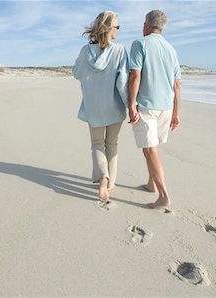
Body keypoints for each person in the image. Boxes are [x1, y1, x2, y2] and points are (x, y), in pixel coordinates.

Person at [73, 11, 129, 206]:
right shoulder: (120, 50)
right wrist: (130, 105)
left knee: (97, 144)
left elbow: (76, 73)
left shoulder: (84, 51)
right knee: (111, 144)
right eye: (117, 26)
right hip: (114, 106)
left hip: (93, 106)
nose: (118, 30)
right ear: (108, 28)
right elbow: (122, 83)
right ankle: (110, 183)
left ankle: (102, 180)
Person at [128, 10, 181, 209]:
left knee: (150, 150)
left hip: (148, 106)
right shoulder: (171, 49)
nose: (142, 27)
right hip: (166, 107)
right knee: (152, 148)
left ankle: (164, 196)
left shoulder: (140, 44)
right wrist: (176, 113)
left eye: (143, 23)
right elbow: (177, 85)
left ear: (149, 25)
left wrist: (131, 104)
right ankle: (151, 183)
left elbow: (135, 75)